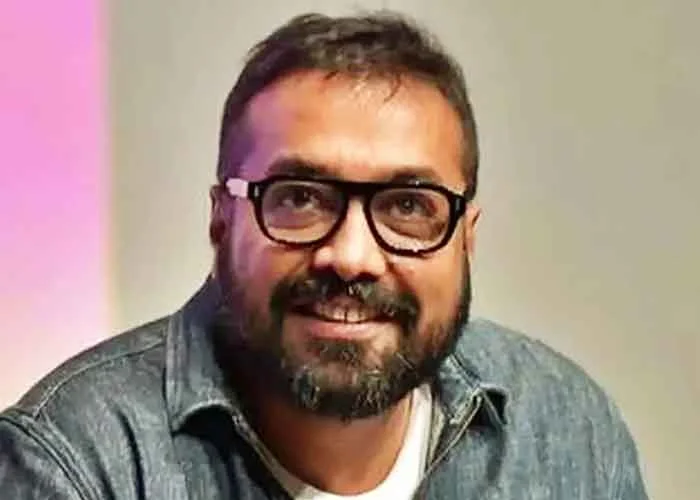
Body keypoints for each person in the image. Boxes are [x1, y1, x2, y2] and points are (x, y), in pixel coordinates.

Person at [0, 11, 647, 499]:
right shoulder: (77, 463)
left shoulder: (568, 429)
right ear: (221, 221)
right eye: (301, 198)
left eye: (407, 205)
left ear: (465, 238)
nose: (352, 256)